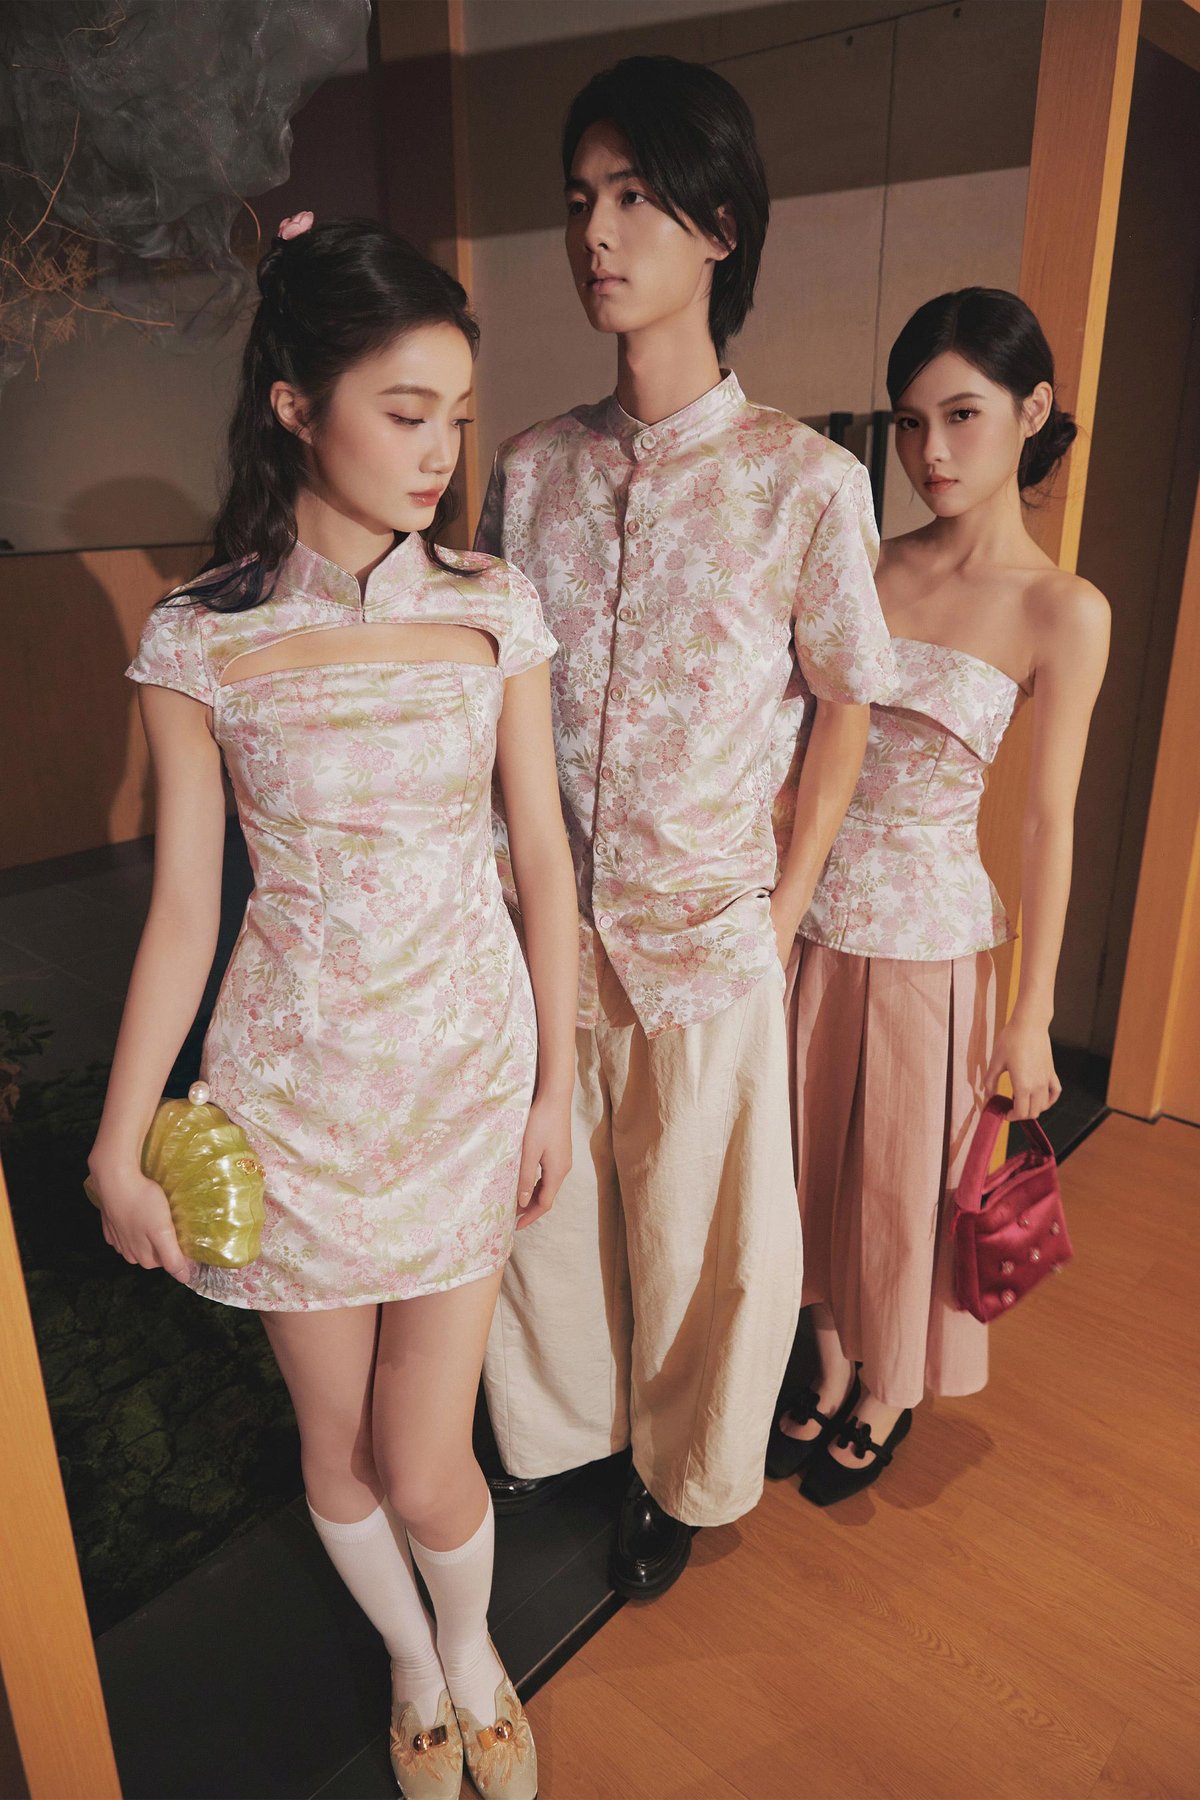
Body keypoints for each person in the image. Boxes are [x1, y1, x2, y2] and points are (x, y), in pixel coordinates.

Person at [86, 216, 577, 1800]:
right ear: (296, 404)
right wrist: (120, 1140)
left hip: (462, 1082)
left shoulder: (496, 605)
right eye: (404, 411)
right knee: (339, 1448)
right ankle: (415, 1668)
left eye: (456, 416)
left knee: (428, 1463)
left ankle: (476, 1650)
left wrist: (556, 1088)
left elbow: (544, 864)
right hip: (287, 1095)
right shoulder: (200, 635)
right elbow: (185, 908)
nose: (440, 452)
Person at [475, 56, 896, 1598]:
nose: (595, 232)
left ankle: (681, 1474)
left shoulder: (807, 483)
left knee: (706, 1232)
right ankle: (570, 1435)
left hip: (713, 929)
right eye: (582, 198)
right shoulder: (531, 469)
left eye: (636, 196)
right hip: (544, 924)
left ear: (720, 225)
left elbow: (846, 704)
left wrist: (780, 914)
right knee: (553, 1212)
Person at [769, 287, 1110, 1505]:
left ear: (1033, 409)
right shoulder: (866, 564)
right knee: (800, 1163)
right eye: (911, 424)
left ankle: (887, 1384)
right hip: (805, 922)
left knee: (900, 1184)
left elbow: (1048, 821)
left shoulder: (1061, 609)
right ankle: (822, 1358)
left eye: (963, 415)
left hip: (931, 940)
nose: (932, 453)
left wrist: (1034, 1015)